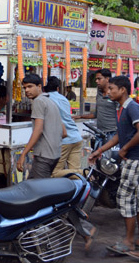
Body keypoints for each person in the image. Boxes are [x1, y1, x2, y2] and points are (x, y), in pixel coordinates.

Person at [89, 76, 139, 256]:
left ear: (122, 90)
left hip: (134, 160)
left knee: (126, 199)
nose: (108, 92)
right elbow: (120, 134)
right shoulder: (122, 109)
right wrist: (99, 150)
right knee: (135, 201)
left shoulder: (132, 107)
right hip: (132, 159)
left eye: (111, 89)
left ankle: (128, 242)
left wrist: (124, 149)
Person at [16, 74, 65, 179]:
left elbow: (38, 130)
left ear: (39, 87)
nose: (27, 90)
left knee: (41, 191)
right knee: (31, 186)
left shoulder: (38, 101)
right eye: (25, 88)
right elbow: (64, 132)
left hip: (44, 156)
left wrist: (24, 153)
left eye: (30, 86)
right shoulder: (51, 102)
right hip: (55, 154)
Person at [45, 77, 83, 178]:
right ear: (58, 88)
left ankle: (87, 173)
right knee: (75, 173)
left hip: (64, 140)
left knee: (54, 173)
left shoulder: (45, 99)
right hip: (76, 137)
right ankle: (82, 180)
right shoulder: (63, 98)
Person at [76, 69, 117, 133]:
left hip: (113, 132)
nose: (96, 81)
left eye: (99, 79)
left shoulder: (115, 94)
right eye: (96, 79)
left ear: (107, 79)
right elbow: (96, 114)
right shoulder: (99, 93)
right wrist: (80, 116)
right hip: (100, 132)